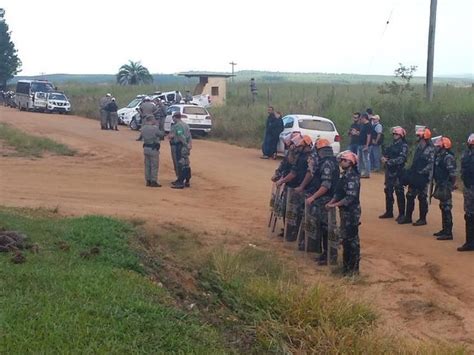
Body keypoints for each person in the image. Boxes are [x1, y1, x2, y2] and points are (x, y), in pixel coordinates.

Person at [326, 150, 361, 276]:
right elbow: (338, 192)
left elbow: (350, 198)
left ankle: (353, 269)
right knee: (345, 239)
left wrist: (335, 204)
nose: (341, 162)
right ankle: (346, 268)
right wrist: (332, 201)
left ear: (350, 162)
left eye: (343, 160)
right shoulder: (345, 175)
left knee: (351, 240)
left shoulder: (352, 177)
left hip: (351, 213)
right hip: (345, 212)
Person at [305, 139, 339, 265]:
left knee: (326, 228)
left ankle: (329, 255)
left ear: (320, 151)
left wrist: (313, 197)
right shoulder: (332, 161)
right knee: (323, 227)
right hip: (327, 198)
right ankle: (325, 253)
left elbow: (325, 185)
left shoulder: (327, 163)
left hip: (325, 199)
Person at [276, 135, 312, 241]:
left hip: (298, 187)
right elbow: (288, 165)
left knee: (294, 211)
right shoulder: (301, 155)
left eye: (299, 146)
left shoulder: (305, 157)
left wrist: (282, 181)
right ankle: (289, 231)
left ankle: (292, 234)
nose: (296, 147)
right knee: (288, 210)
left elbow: (294, 173)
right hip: (294, 186)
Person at [399, 127, 435, 226]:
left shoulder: (431, 149)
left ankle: (422, 219)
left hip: (424, 177)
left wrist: (422, 172)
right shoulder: (419, 147)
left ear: (424, 137)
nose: (417, 137)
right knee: (410, 195)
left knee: (422, 197)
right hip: (415, 175)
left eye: (419, 136)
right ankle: (408, 217)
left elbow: (431, 164)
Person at [380, 126, 408, 222]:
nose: (395, 136)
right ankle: (389, 211)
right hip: (389, 170)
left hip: (398, 171)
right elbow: (386, 154)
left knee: (399, 192)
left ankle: (401, 213)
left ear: (401, 135)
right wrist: (384, 158)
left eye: (396, 134)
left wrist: (389, 161)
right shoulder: (392, 144)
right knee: (388, 190)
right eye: (394, 134)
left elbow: (402, 159)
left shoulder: (403, 146)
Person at [432, 136, 457, 240]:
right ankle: (444, 229)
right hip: (440, 183)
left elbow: (452, 173)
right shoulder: (439, 156)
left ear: (443, 147)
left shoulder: (448, 157)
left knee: (447, 207)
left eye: (438, 146)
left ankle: (448, 232)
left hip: (445, 184)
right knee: (442, 206)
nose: (436, 148)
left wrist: (451, 185)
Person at [458, 133, 474, 251]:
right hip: (469, 187)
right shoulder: (466, 155)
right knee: (469, 215)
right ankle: (469, 242)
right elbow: (462, 170)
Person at [140, 116, 165, 187]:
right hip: (153, 148)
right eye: (154, 119)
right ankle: (153, 181)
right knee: (154, 165)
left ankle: (148, 180)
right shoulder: (154, 128)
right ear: (151, 120)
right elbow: (161, 134)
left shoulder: (143, 128)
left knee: (147, 165)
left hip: (146, 147)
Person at [169, 113, 192, 189]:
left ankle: (180, 182)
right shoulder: (186, 125)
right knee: (186, 163)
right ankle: (187, 180)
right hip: (185, 146)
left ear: (175, 117)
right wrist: (189, 145)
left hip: (180, 146)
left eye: (173, 118)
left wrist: (185, 144)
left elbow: (180, 135)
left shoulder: (177, 126)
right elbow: (189, 136)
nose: (173, 119)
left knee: (180, 164)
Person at [357, 112, 372, 178]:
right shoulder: (363, 125)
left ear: (364, 118)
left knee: (366, 159)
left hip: (365, 145)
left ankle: (367, 173)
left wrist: (367, 145)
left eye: (361, 118)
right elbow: (361, 134)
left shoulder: (368, 125)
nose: (360, 120)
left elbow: (369, 136)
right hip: (360, 144)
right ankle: (359, 172)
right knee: (359, 159)